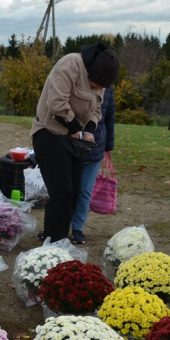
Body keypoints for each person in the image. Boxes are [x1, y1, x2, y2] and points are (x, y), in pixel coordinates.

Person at [31, 43, 120, 243]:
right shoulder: (69, 65)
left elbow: (96, 110)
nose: (98, 89)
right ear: (89, 71)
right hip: (49, 133)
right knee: (62, 192)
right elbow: (56, 103)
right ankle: (54, 243)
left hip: (75, 140)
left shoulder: (102, 81)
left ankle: (57, 237)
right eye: (94, 84)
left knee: (74, 193)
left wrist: (89, 130)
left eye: (101, 87)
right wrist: (75, 129)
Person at [72, 86, 115, 244]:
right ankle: (60, 225)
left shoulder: (108, 90)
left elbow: (110, 118)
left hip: (94, 148)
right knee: (67, 189)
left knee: (84, 190)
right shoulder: (76, 82)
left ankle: (77, 227)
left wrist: (108, 146)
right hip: (71, 144)